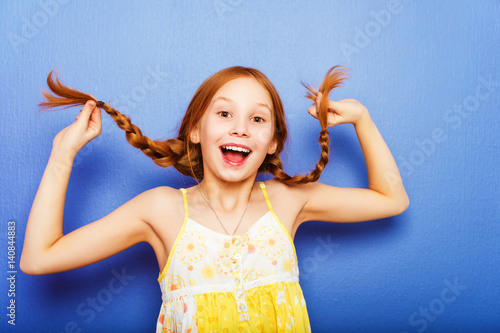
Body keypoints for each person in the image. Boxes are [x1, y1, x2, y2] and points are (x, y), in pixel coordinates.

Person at [20, 65, 409, 332]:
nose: (240, 128)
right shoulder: (162, 209)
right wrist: (62, 156)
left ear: (272, 143)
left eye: (257, 119)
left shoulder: (288, 200)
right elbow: (39, 258)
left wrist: (363, 120)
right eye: (224, 114)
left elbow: (390, 198)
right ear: (195, 131)